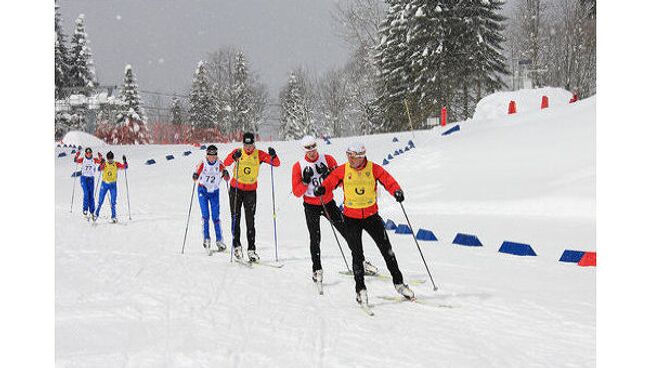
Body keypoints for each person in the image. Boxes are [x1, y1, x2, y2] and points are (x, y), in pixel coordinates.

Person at [314, 143, 414, 306]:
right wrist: (322, 189)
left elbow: (388, 180)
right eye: (349, 156)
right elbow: (330, 182)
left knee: (387, 250)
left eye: (353, 157)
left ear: (361, 157)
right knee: (357, 255)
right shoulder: (343, 170)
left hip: (371, 216)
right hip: (351, 218)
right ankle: (360, 290)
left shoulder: (373, 169)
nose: (351, 160)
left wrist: (397, 190)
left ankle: (399, 284)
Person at [291, 135, 377, 286]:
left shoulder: (328, 159)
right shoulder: (298, 166)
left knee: (347, 232)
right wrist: (305, 181)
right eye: (308, 148)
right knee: (315, 238)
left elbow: (340, 182)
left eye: (313, 147)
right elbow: (297, 192)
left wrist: (329, 175)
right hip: (311, 206)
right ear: (303, 149)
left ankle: (361, 262)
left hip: (328, 203)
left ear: (316, 146)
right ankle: (317, 269)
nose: (311, 151)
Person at [223, 132, 281, 262]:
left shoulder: (259, 154)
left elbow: (276, 163)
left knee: (250, 221)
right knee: (235, 218)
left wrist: (273, 155)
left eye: (250, 145)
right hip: (236, 189)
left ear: (254, 144)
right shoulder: (238, 152)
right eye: (246, 145)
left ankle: (251, 250)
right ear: (243, 144)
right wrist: (234, 157)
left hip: (250, 191)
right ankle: (237, 246)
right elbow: (225, 163)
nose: (248, 148)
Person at [192, 145, 230, 255]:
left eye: (214, 156)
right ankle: (206, 238)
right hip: (202, 191)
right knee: (205, 215)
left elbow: (227, 178)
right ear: (207, 155)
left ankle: (219, 240)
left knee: (215, 217)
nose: (212, 158)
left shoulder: (220, 164)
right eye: (210, 155)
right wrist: (195, 175)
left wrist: (226, 175)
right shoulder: (203, 162)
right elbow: (196, 174)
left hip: (214, 192)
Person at [95, 151, 128, 223]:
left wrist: (125, 162)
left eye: (111, 158)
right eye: (109, 158)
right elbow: (99, 169)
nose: (110, 160)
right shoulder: (105, 164)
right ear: (107, 158)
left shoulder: (116, 164)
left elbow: (124, 167)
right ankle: (96, 214)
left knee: (113, 202)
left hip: (113, 185)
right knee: (100, 201)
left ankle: (113, 216)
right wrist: (101, 164)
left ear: (113, 158)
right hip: (104, 184)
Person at [73, 147, 103, 220]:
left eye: (90, 153)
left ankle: (92, 210)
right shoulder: (83, 159)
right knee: (86, 193)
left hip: (91, 179)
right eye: (87, 153)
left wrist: (101, 157)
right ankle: (85, 209)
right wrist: (77, 154)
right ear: (85, 153)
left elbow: (101, 161)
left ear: (91, 153)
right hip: (84, 178)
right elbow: (76, 160)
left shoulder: (94, 160)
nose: (88, 154)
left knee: (91, 195)